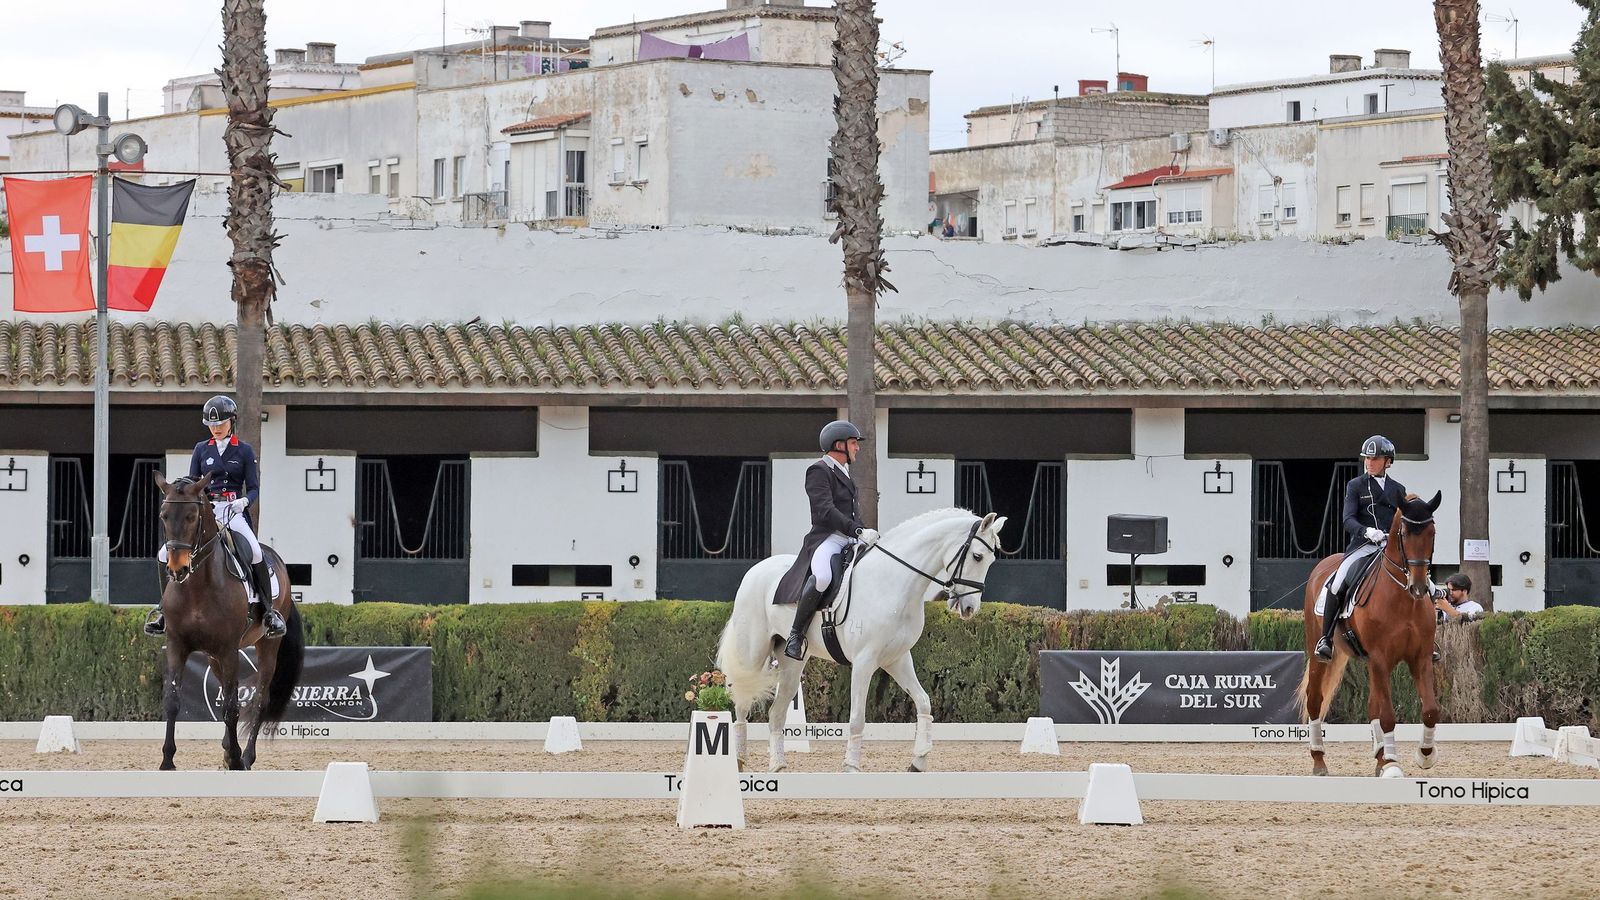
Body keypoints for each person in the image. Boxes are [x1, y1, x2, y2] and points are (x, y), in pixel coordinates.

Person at [146, 395, 285, 639]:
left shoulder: (243, 450)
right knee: (163, 553)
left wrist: (243, 502)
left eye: (220, 423)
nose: (216, 428)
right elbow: (191, 482)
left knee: (254, 551)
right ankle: (163, 610)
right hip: (204, 510)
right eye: (212, 425)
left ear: (232, 422)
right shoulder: (202, 449)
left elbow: (253, 487)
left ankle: (269, 611)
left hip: (233, 510)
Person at [781, 420, 880, 661]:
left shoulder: (844, 472)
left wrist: (865, 531)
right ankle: (796, 635)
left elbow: (851, 512)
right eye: (854, 443)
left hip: (849, 538)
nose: (857, 448)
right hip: (828, 538)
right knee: (823, 576)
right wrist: (856, 531)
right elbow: (825, 510)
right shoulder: (819, 470)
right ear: (839, 445)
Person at [1314, 435, 1407, 661]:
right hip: (1363, 546)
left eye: (1375, 459)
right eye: (1367, 458)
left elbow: (1404, 520)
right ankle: (1325, 639)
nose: (1369, 463)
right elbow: (1348, 519)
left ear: (1388, 461)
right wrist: (1367, 531)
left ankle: (1424, 637)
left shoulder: (1398, 489)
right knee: (1336, 583)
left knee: (1421, 581)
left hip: (1390, 549)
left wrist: (1396, 536)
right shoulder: (1355, 485)